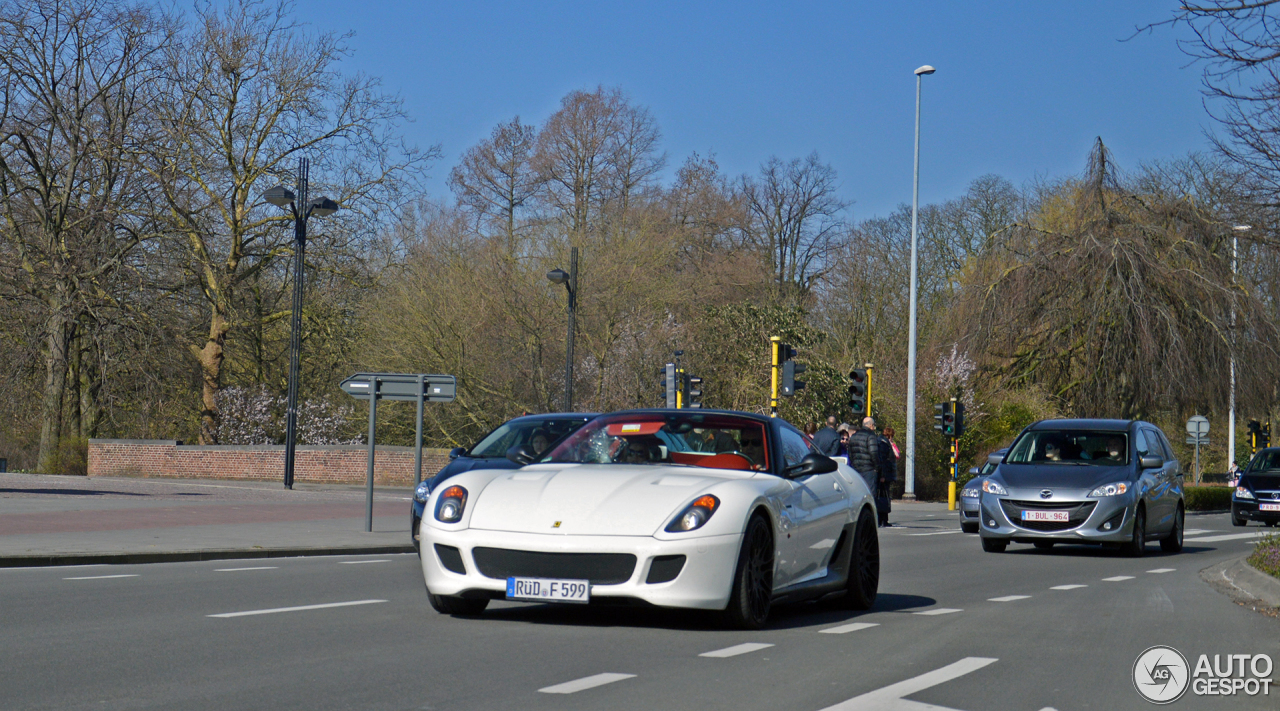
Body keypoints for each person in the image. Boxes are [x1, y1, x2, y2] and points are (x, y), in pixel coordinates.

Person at [846, 416, 881, 495]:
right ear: (871, 425)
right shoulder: (871, 436)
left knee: (858, 493)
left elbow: (850, 453)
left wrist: (854, 464)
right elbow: (874, 453)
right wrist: (877, 467)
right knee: (870, 493)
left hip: (857, 469)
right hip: (869, 469)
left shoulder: (854, 436)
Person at [876, 426, 898, 527]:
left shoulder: (882, 442)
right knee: (884, 497)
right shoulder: (884, 444)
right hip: (885, 475)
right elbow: (884, 461)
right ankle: (883, 519)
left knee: (883, 496)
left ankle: (883, 519)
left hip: (885, 474)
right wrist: (883, 475)